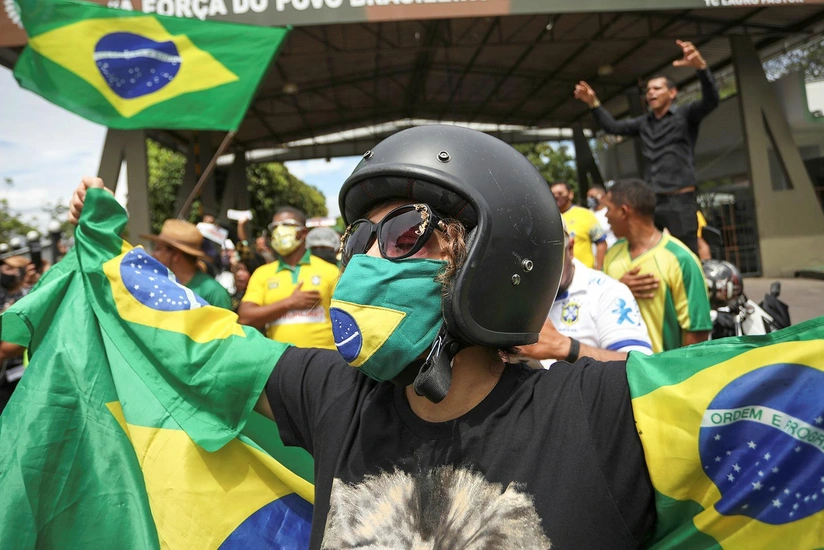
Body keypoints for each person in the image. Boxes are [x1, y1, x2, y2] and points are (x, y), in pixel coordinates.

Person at [69, 126, 656, 548]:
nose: (368, 260)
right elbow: (198, 343)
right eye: (360, 239)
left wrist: (575, 348)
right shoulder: (336, 396)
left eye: (405, 231)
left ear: (493, 256)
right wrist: (111, 256)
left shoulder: (600, 414)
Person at [574, 40, 720, 255]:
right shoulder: (644, 123)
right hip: (652, 200)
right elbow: (613, 126)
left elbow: (711, 100)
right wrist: (593, 103)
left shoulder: (685, 115)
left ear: (672, 93)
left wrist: (701, 68)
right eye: (648, 89)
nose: (650, 92)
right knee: (650, 250)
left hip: (681, 199)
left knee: (686, 253)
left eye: (657, 88)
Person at [602, 179, 711, 353]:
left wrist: (675, 374)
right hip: (616, 373)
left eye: (608, 209)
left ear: (623, 211)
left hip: (660, 376)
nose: (605, 216)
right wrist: (618, 289)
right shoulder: (611, 255)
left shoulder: (681, 259)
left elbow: (697, 331)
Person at [520, 224, 652, 367]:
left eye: (549, 259)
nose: (541, 272)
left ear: (570, 249)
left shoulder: (606, 291)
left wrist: (566, 347)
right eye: (529, 262)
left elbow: (641, 366)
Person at [237, 207, 338, 350]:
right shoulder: (262, 273)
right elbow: (245, 318)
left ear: (303, 233)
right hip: (279, 362)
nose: (280, 230)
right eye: (275, 227)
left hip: (325, 361)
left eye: (287, 225)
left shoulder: (330, 271)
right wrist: (289, 303)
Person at [141, 220, 232, 310]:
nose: (153, 254)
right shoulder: (159, 285)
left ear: (176, 255)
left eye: (158, 249)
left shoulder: (214, 293)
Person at [0, 253, 33, 413]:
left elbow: (6, 350)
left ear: (21, 271)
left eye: (8, 268)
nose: (2, 272)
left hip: (23, 375)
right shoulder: (5, 295)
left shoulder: (29, 297)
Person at [550, 182, 607, 269]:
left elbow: (601, 244)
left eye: (560, 193)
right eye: (553, 194)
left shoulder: (585, 214)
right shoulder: (549, 219)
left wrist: (598, 269)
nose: (556, 196)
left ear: (570, 194)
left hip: (585, 275)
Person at [586, 183, 616, 248]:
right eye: (588, 196)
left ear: (602, 197)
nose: (589, 199)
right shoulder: (587, 214)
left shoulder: (609, 212)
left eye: (592, 196)